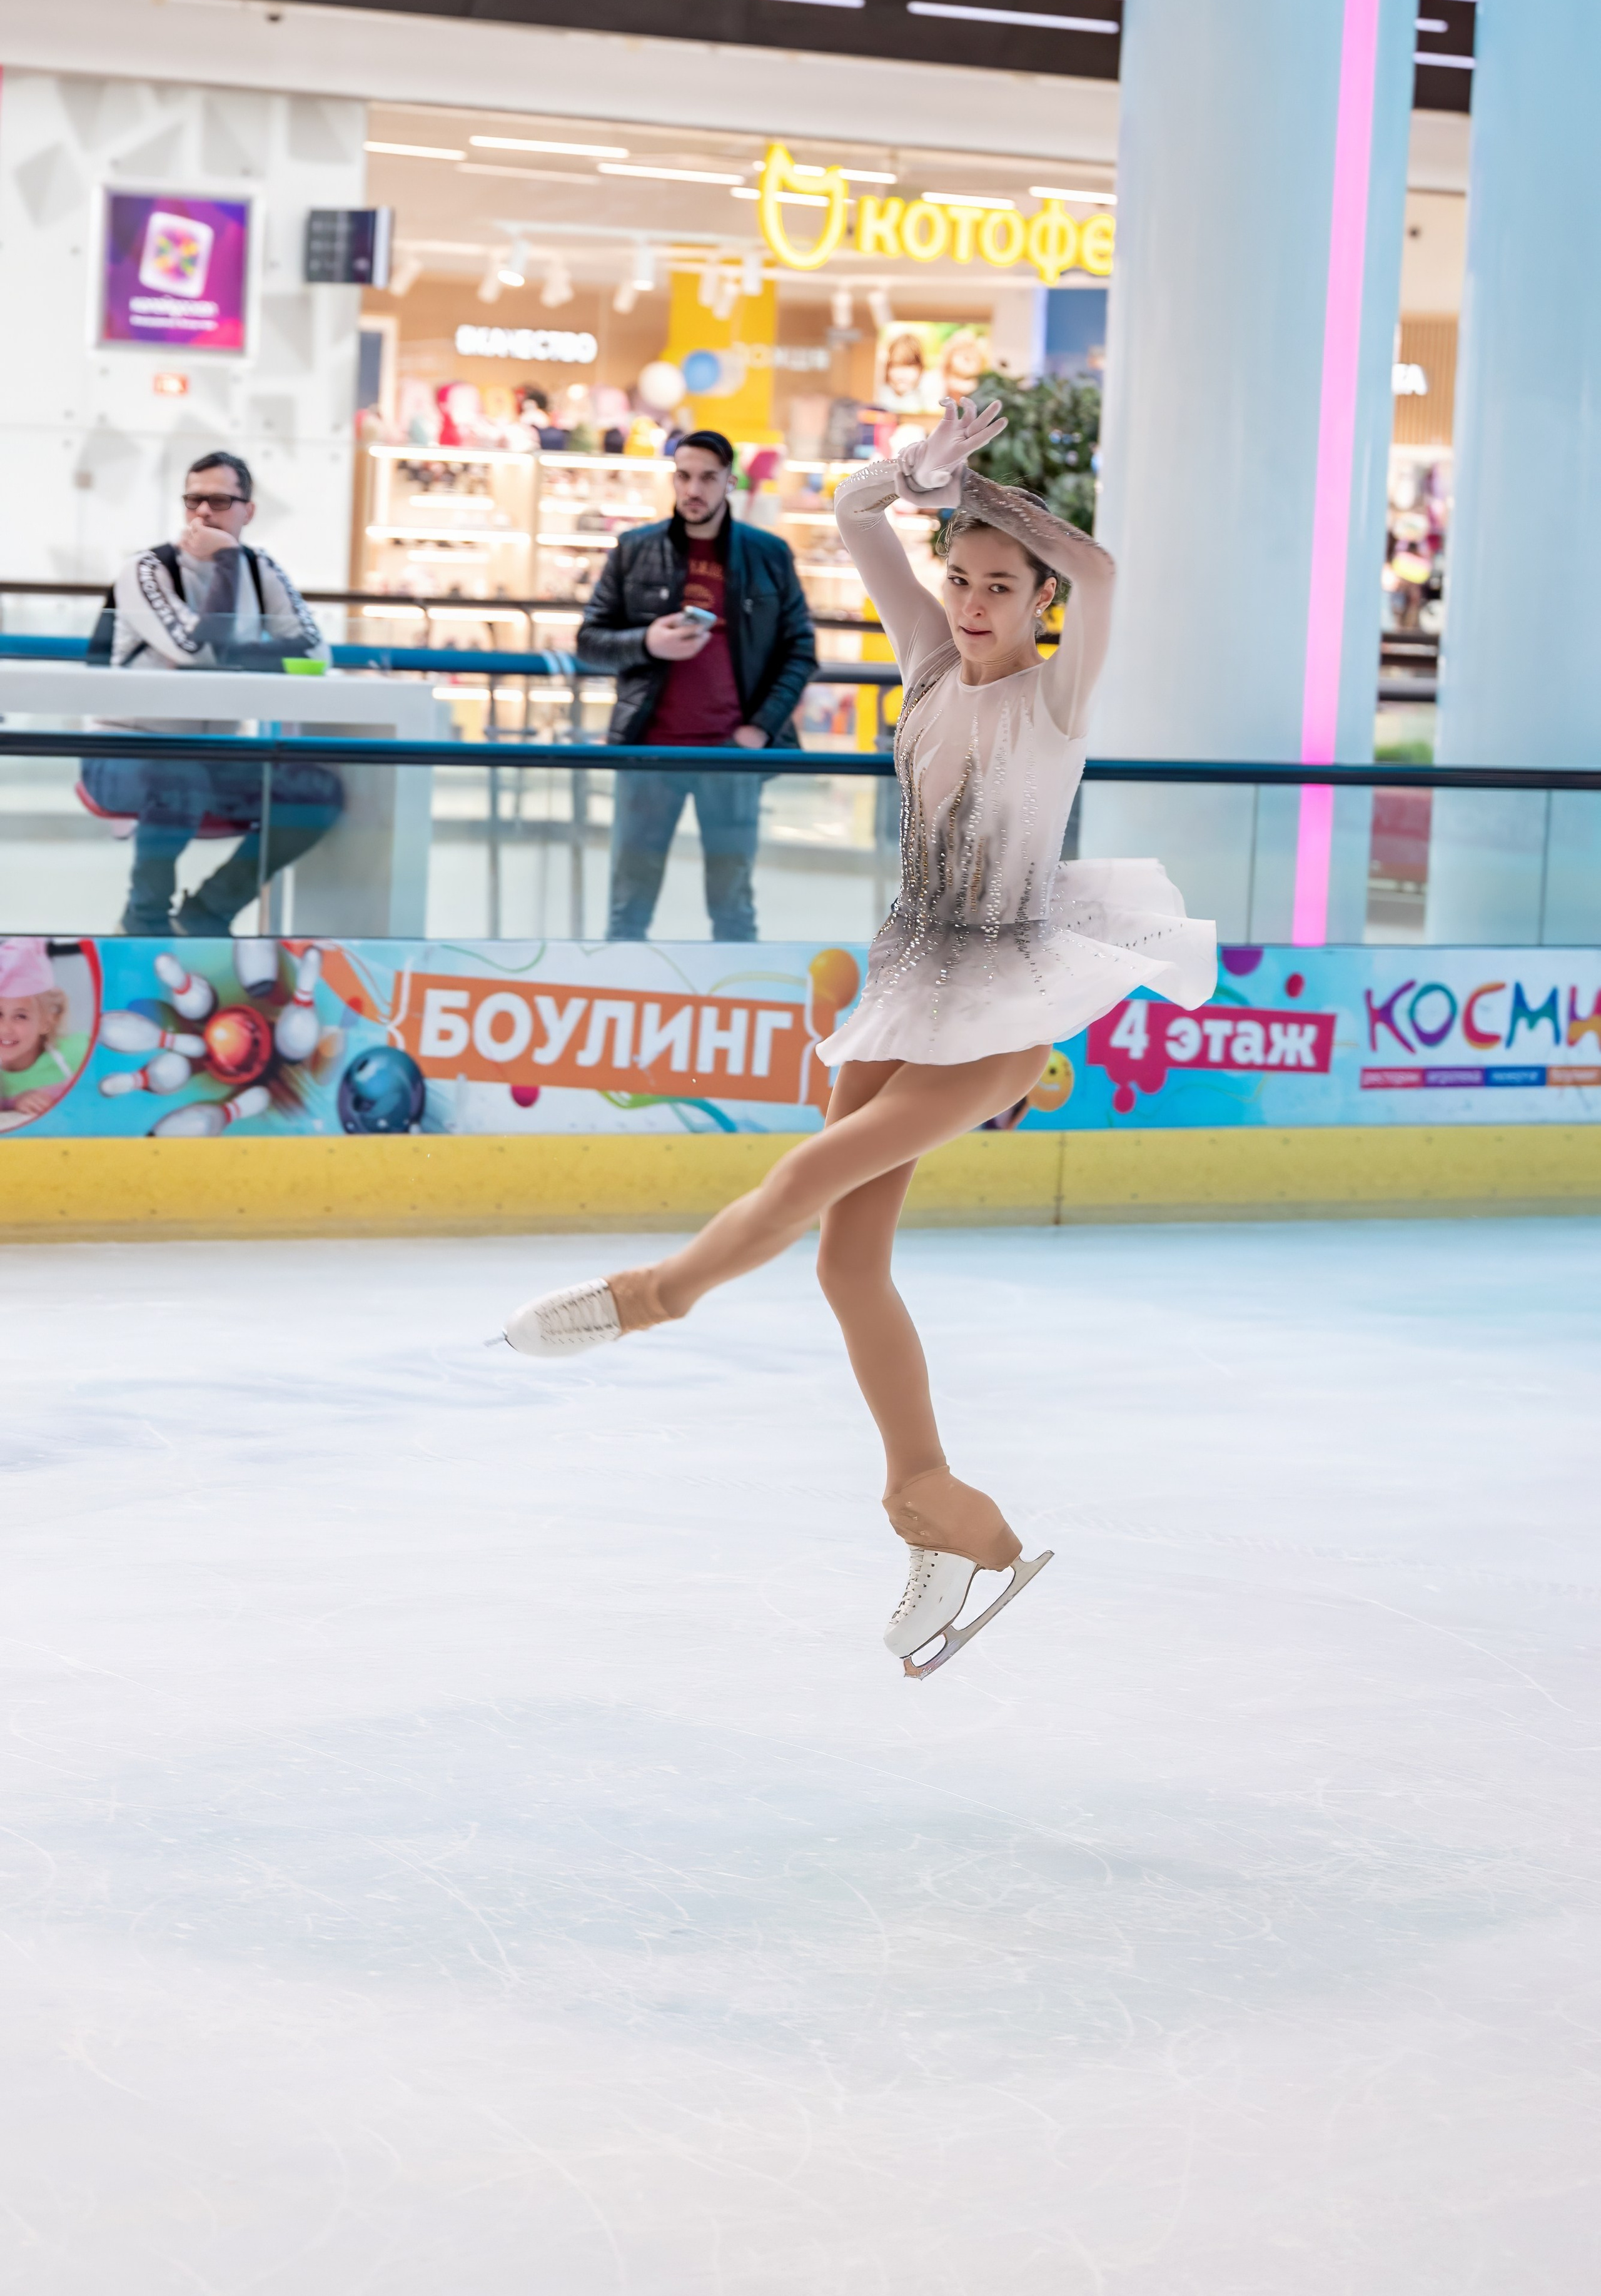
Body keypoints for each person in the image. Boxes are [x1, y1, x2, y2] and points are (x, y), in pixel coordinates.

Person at [504, 400, 1216, 1675]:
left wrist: (998, 506)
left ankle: (653, 1297)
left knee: (806, 1177)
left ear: (1037, 598)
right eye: (960, 577)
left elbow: (1100, 570)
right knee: (843, 1264)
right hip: (908, 974)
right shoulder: (928, 667)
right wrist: (914, 479)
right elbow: (847, 518)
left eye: (999, 584)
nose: (972, 599)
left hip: (999, 1001)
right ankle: (936, 1509)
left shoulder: (1056, 701)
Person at [81, 451, 344, 936]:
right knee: (180, 776)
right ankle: (145, 921)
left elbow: (317, 652)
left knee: (316, 795)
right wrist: (227, 558)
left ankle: (207, 913)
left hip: (209, 753)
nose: (202, 513)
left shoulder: (261, 569)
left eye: (219, 501)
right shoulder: (146, 570)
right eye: (193, 500)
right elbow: (198, 649)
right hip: (118, 753)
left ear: (249, 510)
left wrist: (237, 641)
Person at [577, 428, 816, 942]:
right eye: (684, 476)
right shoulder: (634, 549)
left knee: (732, 909)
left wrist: (759, 728)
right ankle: (625, 1008)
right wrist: (647, 642)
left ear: (729, 481)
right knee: (628, 908)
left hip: (732, 756)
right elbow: (589, 640)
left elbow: (800, 651)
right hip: (646, 756)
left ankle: (738, 1015)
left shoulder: (768, 554)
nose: (694, 489)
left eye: (708, 478)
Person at [0, 938, 88, 1122]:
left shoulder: (81, 1052)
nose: (5, 1029)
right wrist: (16, 1102)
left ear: (46, 1021)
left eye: (21, 1016)